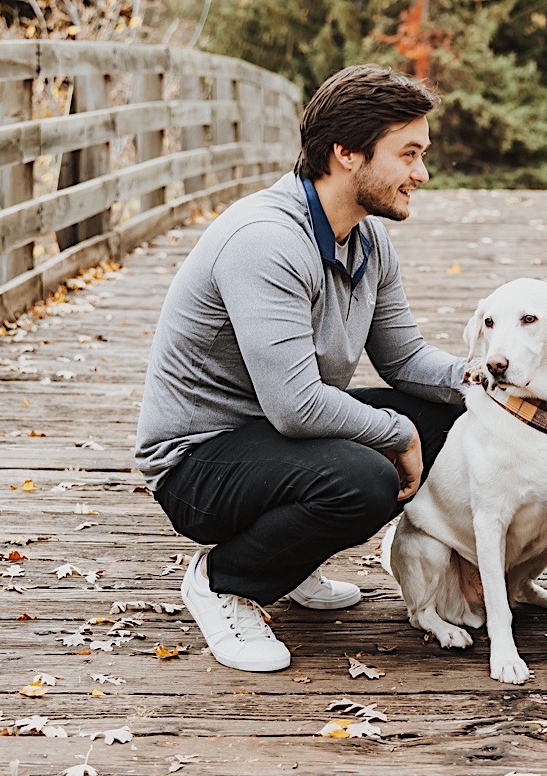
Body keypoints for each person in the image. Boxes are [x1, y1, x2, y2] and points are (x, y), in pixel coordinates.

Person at [135, 64, 468, 673]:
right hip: (200, 462)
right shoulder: (265, 240)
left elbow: (407, 361)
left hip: (278, 442)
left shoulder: (367, 241)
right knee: (364, 479)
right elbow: (297, 405)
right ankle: (224, 581)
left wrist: (494, 381)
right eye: (409, 154)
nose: (422, 173)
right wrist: (397, 432)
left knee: (453, 419)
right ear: (346, 153)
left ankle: (288, 556)